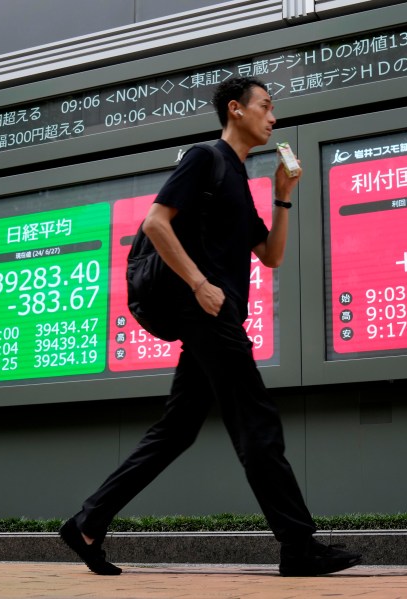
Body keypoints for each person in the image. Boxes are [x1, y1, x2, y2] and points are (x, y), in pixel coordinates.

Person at [59, 77, 362, 577]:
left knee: (176, 431)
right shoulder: (205, 157)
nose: (274, 117)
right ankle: (298, 545)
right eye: (266, 107)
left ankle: (87, 523)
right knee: (257, 419)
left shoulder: (242, 181)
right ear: (236, 110)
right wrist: (199, 283)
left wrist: (282, 196)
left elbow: (271, 255)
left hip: (214, 314)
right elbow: (157, 221)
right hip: (205, 312)